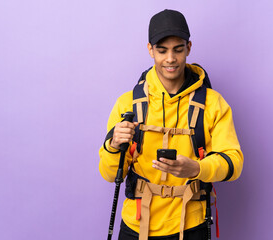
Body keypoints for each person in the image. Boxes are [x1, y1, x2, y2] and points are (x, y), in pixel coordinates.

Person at [99, 9, 244, 240]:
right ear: (150, 50)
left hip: (191, 224)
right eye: (162, 50)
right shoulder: (127, 104)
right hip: (136, 225)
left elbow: (234, 163)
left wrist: (197, 169)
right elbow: (109, 174)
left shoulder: (213, 103)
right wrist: (114, 145)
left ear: (189, 47)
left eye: (178, 49)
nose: (170, 59)